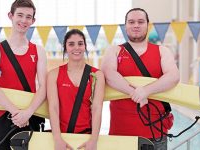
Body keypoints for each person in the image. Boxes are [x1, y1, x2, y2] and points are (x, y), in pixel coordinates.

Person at [101, 8, 179, 149]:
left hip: (155, 132)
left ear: (147, 25)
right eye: (131, 22)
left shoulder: (162, 51)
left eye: (140, 22)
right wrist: (135, 92)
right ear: (125, 26)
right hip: (120, 133)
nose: (136, 25)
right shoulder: (114, 51)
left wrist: (145, 91)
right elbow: (108, 74)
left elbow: (173, 76)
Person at [0, 0, 47, 149]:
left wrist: (28, 112)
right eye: (20, 15)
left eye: (28, 17)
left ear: (33, 20)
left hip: (29, 116)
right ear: (10, 16)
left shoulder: (38, 51)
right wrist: (15, 112)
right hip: (1, 116)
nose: (24, 20)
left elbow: (43, 86)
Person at [47, 29, 105, 150]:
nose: (76, 48)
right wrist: (57, 139)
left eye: (80, 43)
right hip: (61, 138)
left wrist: (93, 140)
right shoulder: (54, 74)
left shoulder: (97, 75)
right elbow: (53, 107)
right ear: (65, 48)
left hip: (86, 138)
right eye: (71, 44)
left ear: (85, 46)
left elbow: (97, 108)